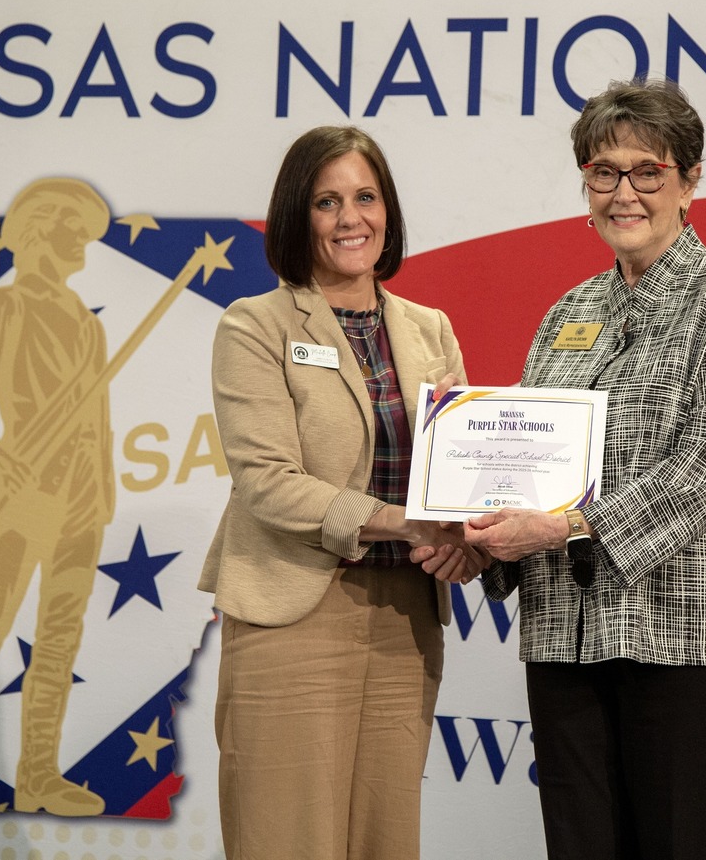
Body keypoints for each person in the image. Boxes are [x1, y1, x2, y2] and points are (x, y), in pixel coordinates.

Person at [464, 78, 706, 860]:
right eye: (604, 171)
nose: (624, 192)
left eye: (648, 170)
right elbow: (524, 465)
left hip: (692, 642)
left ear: (688, 181)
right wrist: (477, 533)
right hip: (569, 643)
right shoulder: (569, 312)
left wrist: (562, 526)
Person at [198, 126, 482, 860]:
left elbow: (457, 472)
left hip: (404, 624)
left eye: (366, 196)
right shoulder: (254, 325)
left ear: (387, 211)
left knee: (384, 840)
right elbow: (269, 483)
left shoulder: (430, 328)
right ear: (300, 215)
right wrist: (405, 520)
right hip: (292, 615)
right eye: (327, 201)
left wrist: (464, 546)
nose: (351, 217)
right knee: (285, 838)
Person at [0, 178, 114, 815]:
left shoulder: (86, 326)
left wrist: (100, 496)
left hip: (84, 505)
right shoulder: (7, 307)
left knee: (58, 644)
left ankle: (38, 776)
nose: (82, 242)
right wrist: (1, 459)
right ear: (39, 230)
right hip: (23, 501)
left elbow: (98, 424)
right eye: (73, 228)